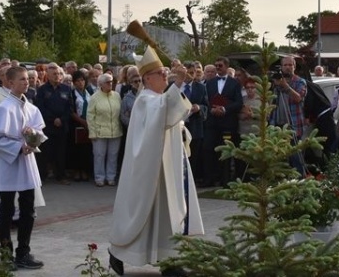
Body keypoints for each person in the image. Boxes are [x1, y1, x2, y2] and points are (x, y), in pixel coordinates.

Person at [109, 46, 202, 277]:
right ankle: (119, 251)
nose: (165, 76)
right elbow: (164, 112)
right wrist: (178, 83)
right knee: (149, 214)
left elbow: (175, 115)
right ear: (147, 78)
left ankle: (170, 259)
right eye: (161, 74)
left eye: (165, 73)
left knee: (168, 213)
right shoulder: (145, 100)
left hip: (170, 164)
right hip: (152, 169)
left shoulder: (159, 98)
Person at [0, 65, 46, 270]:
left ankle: (23, 253)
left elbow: (38, 131)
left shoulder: (30, 107)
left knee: (28, 209)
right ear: (10, 83)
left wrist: (33, 139)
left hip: (26, 163)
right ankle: (5, 256)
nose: (26, 82)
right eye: (21, 79)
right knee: (7, 210)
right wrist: (19, 146)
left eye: (27, 79)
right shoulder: (4, 108)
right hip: (8, 165)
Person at [201, 57, 242, 188]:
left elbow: (238, 102)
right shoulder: (210, 82)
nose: (217, 68)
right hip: (212, 122)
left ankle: (226, 180)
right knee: (208, 149)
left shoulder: (235, 83)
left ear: (226, 66)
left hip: (227, 122)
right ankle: (209, 179)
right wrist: (212, 109)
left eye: (220, 65)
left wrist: (224, 109)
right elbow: (206, 99)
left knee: (226, 151)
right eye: (216, 65)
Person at [87, 73, 123, 187]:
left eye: (111, 81)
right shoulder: (95, 97)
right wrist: (92, 132)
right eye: (108, 82)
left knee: (113, 155)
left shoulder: (117, 96)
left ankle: (111, 177)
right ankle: (99, 178)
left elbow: (120, 112)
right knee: (99, 155)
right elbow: (90, 116)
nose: (110, 84)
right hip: (100, 131)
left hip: (115, 131)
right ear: (101, 84)